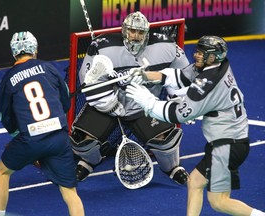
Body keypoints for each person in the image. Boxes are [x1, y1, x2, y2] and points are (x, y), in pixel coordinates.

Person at [125, 35, 265, 216]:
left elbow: (178, 114)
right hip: (228, 142)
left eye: (201, 53)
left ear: (213, 57)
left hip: (227, 146)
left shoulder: (207, 86)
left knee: (219, 202)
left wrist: (148, 103)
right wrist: (144, 75)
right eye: (197, 51)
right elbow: (181, 76)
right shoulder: (216, 66)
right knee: (195, 183)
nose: (196, 55)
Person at [70, 11, 190, 185]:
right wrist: (107, 104)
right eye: (132, 31)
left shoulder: (167, 47)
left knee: (167, 141)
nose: (135, 36)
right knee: (80, 140)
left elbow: (182, 74)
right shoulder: (103, 48)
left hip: (144, 106)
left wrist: (180, 98)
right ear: (124, 30)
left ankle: (172, 168)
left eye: (140, 32)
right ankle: (90, 161)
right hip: (110, 104)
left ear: (147, 33)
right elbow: (88, 80)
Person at [0, 31, 84, 216]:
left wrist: (17, 136)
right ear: (34, 49)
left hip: (30, 141)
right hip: (59, 138)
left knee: (2, 172)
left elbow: (5, 116)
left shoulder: (7, 80)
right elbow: (65, 101)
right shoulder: (49, 68)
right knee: (70, 192)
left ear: (14, 52)